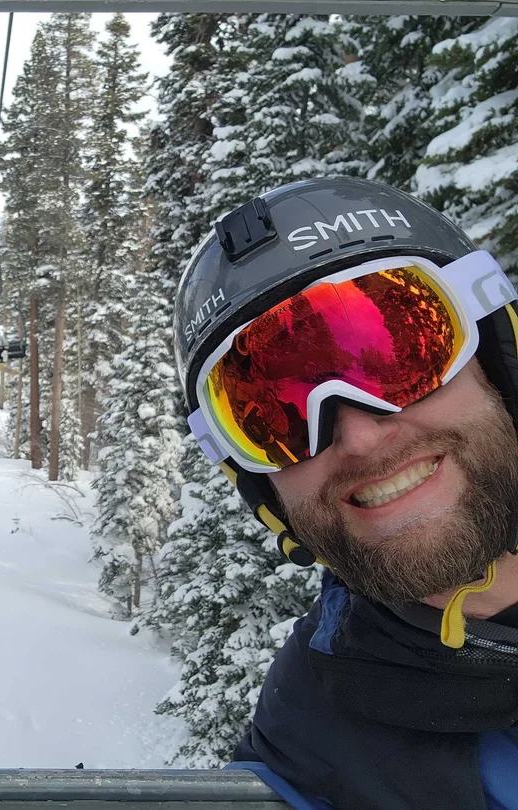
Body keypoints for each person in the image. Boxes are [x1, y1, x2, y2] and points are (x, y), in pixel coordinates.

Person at [173, 176, 518, 810]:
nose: (357, 438)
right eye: (274, 417)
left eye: (400, 357)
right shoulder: (312, 723)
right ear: (260, 487)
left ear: (498, 362)